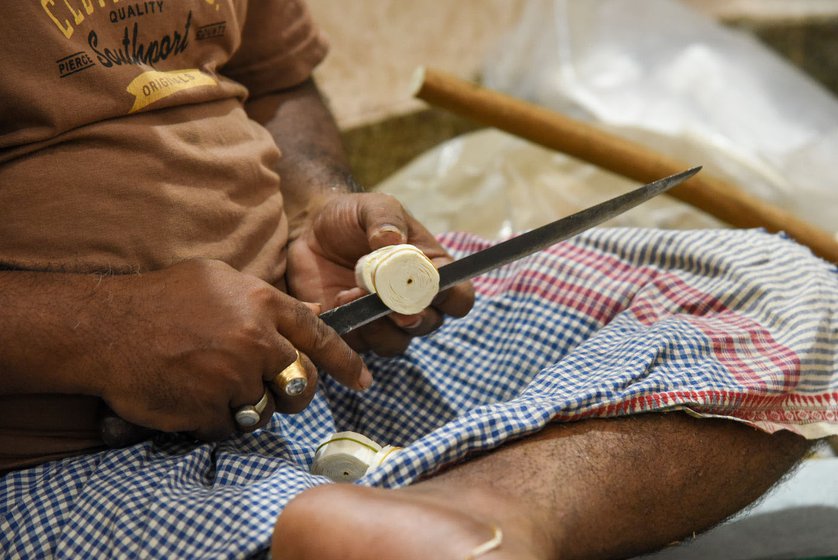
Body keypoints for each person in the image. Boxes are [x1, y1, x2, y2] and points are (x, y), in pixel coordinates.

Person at [1, 2, 835, 559]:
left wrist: (318, 208)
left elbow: (279, 81)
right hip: (58, 457)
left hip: (319, 353)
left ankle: (479, 524)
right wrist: (101, 329)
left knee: (782, 296)